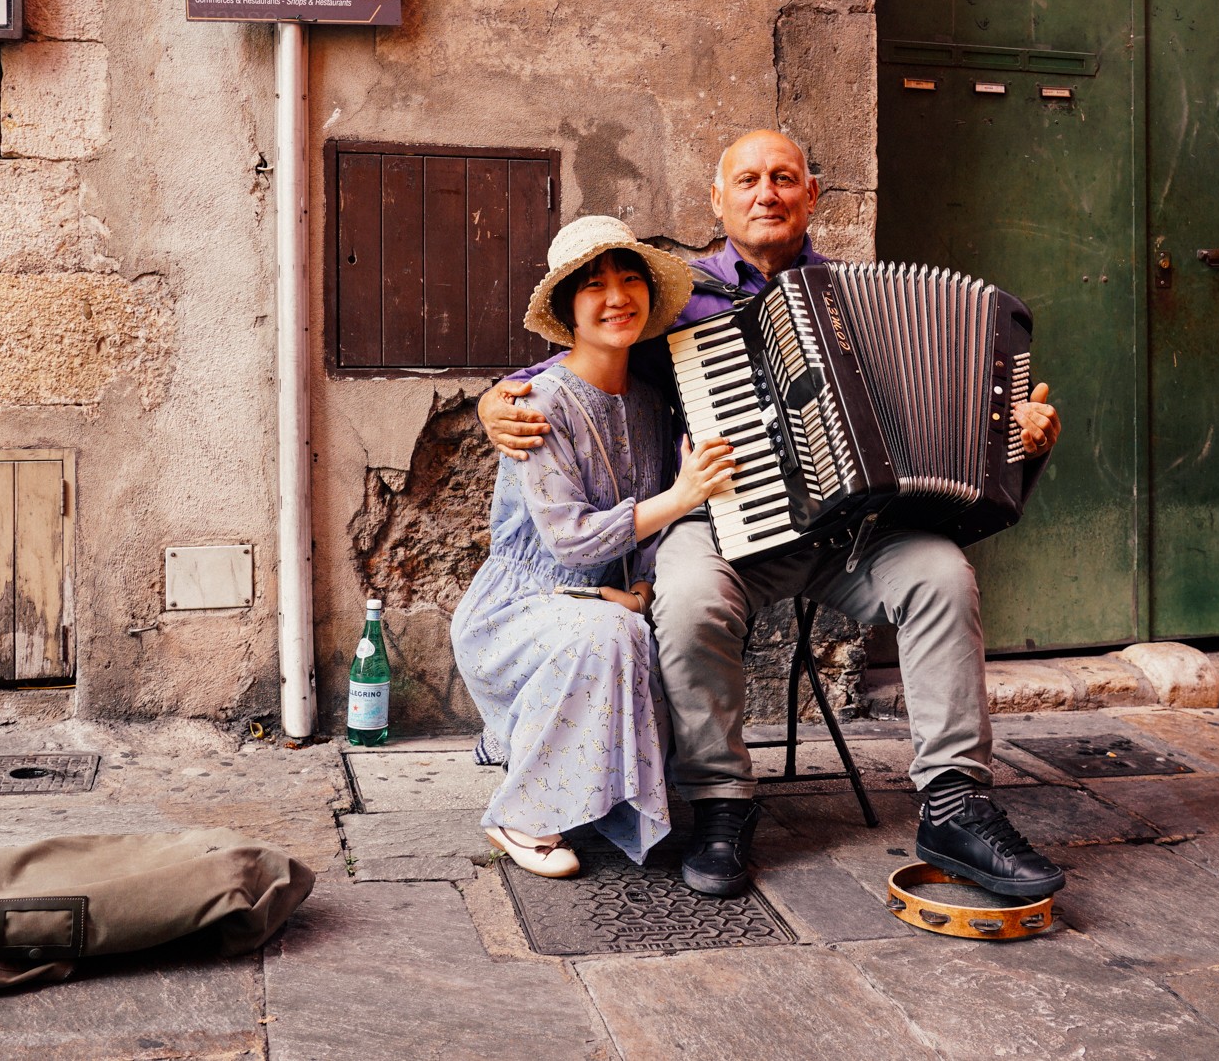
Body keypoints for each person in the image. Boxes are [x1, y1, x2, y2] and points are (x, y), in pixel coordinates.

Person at [477, 130, 1066, 900]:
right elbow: (582, 352)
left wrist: (1017, 438)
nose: (767, 193)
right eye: (747, 179)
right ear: (717, 200)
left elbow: (966, 428)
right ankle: (721, 803)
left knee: (941, 574)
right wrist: (496, 397)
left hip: (858, 535)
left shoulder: (857, 298)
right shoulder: (675, 298)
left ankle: (955, 803)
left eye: (783, 178)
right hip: (723, 527)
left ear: (810, 197)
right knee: (686, 597)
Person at [451, 216, 738, 877]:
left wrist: (639, 590)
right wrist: (684, 494)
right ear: (567, 310)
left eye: (629, 279)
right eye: (594, 286)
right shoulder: (540, 403)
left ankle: (578, 781)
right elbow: (571, 541)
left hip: (600, 601)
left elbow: (646, 544)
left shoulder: (647, 403)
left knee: (646, 627)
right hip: (518, 609)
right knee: (614, 633)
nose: (616, 297)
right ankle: (522, 816)